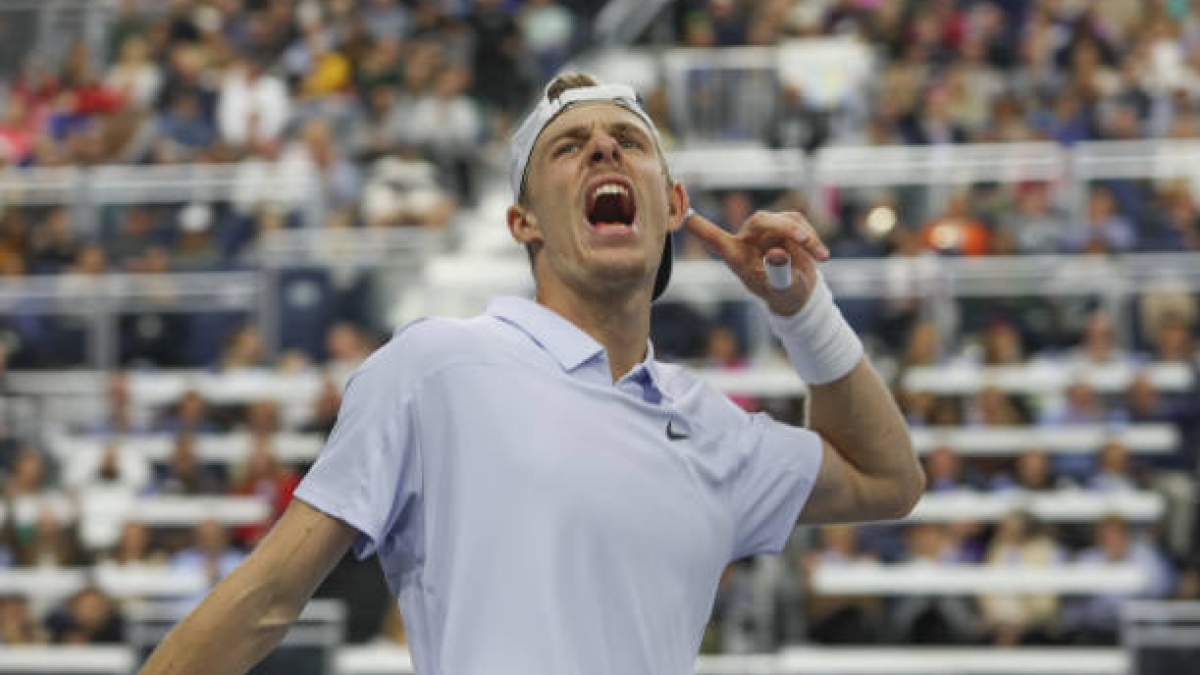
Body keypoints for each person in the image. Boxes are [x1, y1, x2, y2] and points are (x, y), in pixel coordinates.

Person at [137, 73, 923, 674]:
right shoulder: (433, 366)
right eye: (569, 145)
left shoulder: (712, 425)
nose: (606, 148)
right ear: (523, 222)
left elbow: (890, 479)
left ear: (673, 202)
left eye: (628, 138)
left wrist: (798, 307)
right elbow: (269, 597)